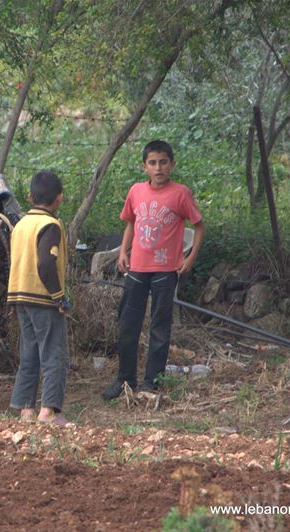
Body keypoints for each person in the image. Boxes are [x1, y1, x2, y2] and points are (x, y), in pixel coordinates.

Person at [102, 140, 205, 400]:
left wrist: (189, 257)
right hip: (137, 267)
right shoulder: (136, 191)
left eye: (163, 162)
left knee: (160, 326)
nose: (158, 168)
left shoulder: (181, 194)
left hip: (165, 269)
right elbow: (130, 223)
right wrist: (124, 251)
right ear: (144, 166)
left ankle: (152, 382)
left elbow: (199, 226)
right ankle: (125, 380)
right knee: (128, 324)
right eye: (152, 163)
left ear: (172, 164)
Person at [8, 170, 73, 426]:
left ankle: (25, 410)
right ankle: (49, 411)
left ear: (29, 196)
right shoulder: (50, 225)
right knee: (55, 353)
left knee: (30, 353)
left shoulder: (21, 224)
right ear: (59, 199)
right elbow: (46, 264)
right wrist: (59, 296)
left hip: (19, 296)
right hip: (42, 297)